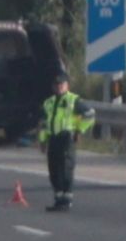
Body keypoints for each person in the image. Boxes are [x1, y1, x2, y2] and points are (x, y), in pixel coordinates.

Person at [39, 72, 95, 212]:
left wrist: (79, 130)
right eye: (57, 85)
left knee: (66, 168)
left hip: (67, 137)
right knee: (53, 170)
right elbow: (43, 123)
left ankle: (66, 200)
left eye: (62, 85)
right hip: (53, 138)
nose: (59, 87)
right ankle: (58, 199)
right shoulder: (48, 103)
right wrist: (42, 140)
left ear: (67, 86)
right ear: (53, 87)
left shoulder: (74, 100)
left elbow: (90, 115)